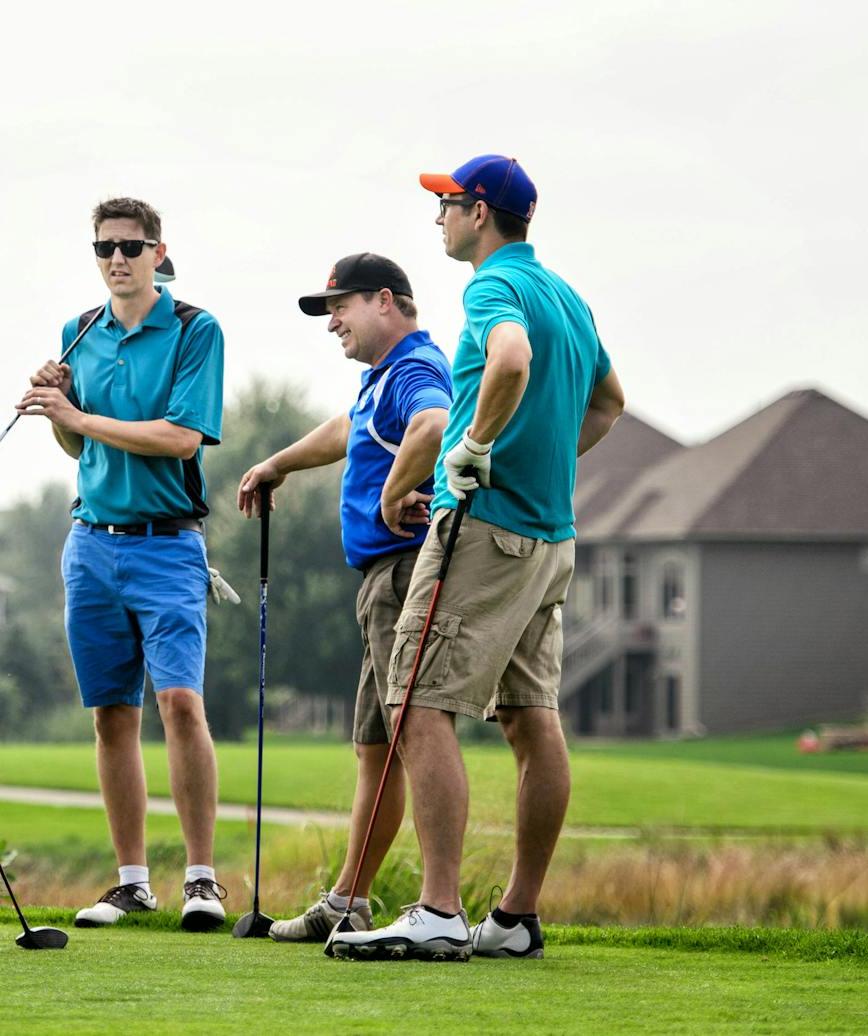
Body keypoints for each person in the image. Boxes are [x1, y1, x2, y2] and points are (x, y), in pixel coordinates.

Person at [329, 155, 625, 962]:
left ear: (482, 212)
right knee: (533, 720)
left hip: (483, 528)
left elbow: (511, 361)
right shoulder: (568, 295)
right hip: (550, 540)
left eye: (449, 204)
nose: (440, 219)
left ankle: (437, 910)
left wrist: (475, 451)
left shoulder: (492, 287)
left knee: (416, 704)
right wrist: (540, 461)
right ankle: (516, 918)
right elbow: (608, 403)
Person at [17, 197, 227, 932]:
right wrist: (58, 404)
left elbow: (180, 438)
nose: (116, 259)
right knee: (112, 714)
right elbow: (79, 450)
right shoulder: (80, 334)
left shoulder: (196, 330)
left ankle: (202, 879)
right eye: (104, 246)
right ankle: (133, 882)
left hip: (167, 544)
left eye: (131, 247)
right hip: (92, 545)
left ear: (158, 252)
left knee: (180, 704)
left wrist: (78, 417)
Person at [236, 253, 451, 942]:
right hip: (381, 582)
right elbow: (347, 429)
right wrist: (278, 463)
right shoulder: (379, 381)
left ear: (384, 301)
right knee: (375, 746)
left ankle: (437, 908)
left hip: (404, 570)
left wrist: (392, 494)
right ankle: (348, 901)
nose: (332, 323)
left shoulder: (415, 367)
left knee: (408, 739)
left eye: (341, 307)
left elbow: (436, 423)